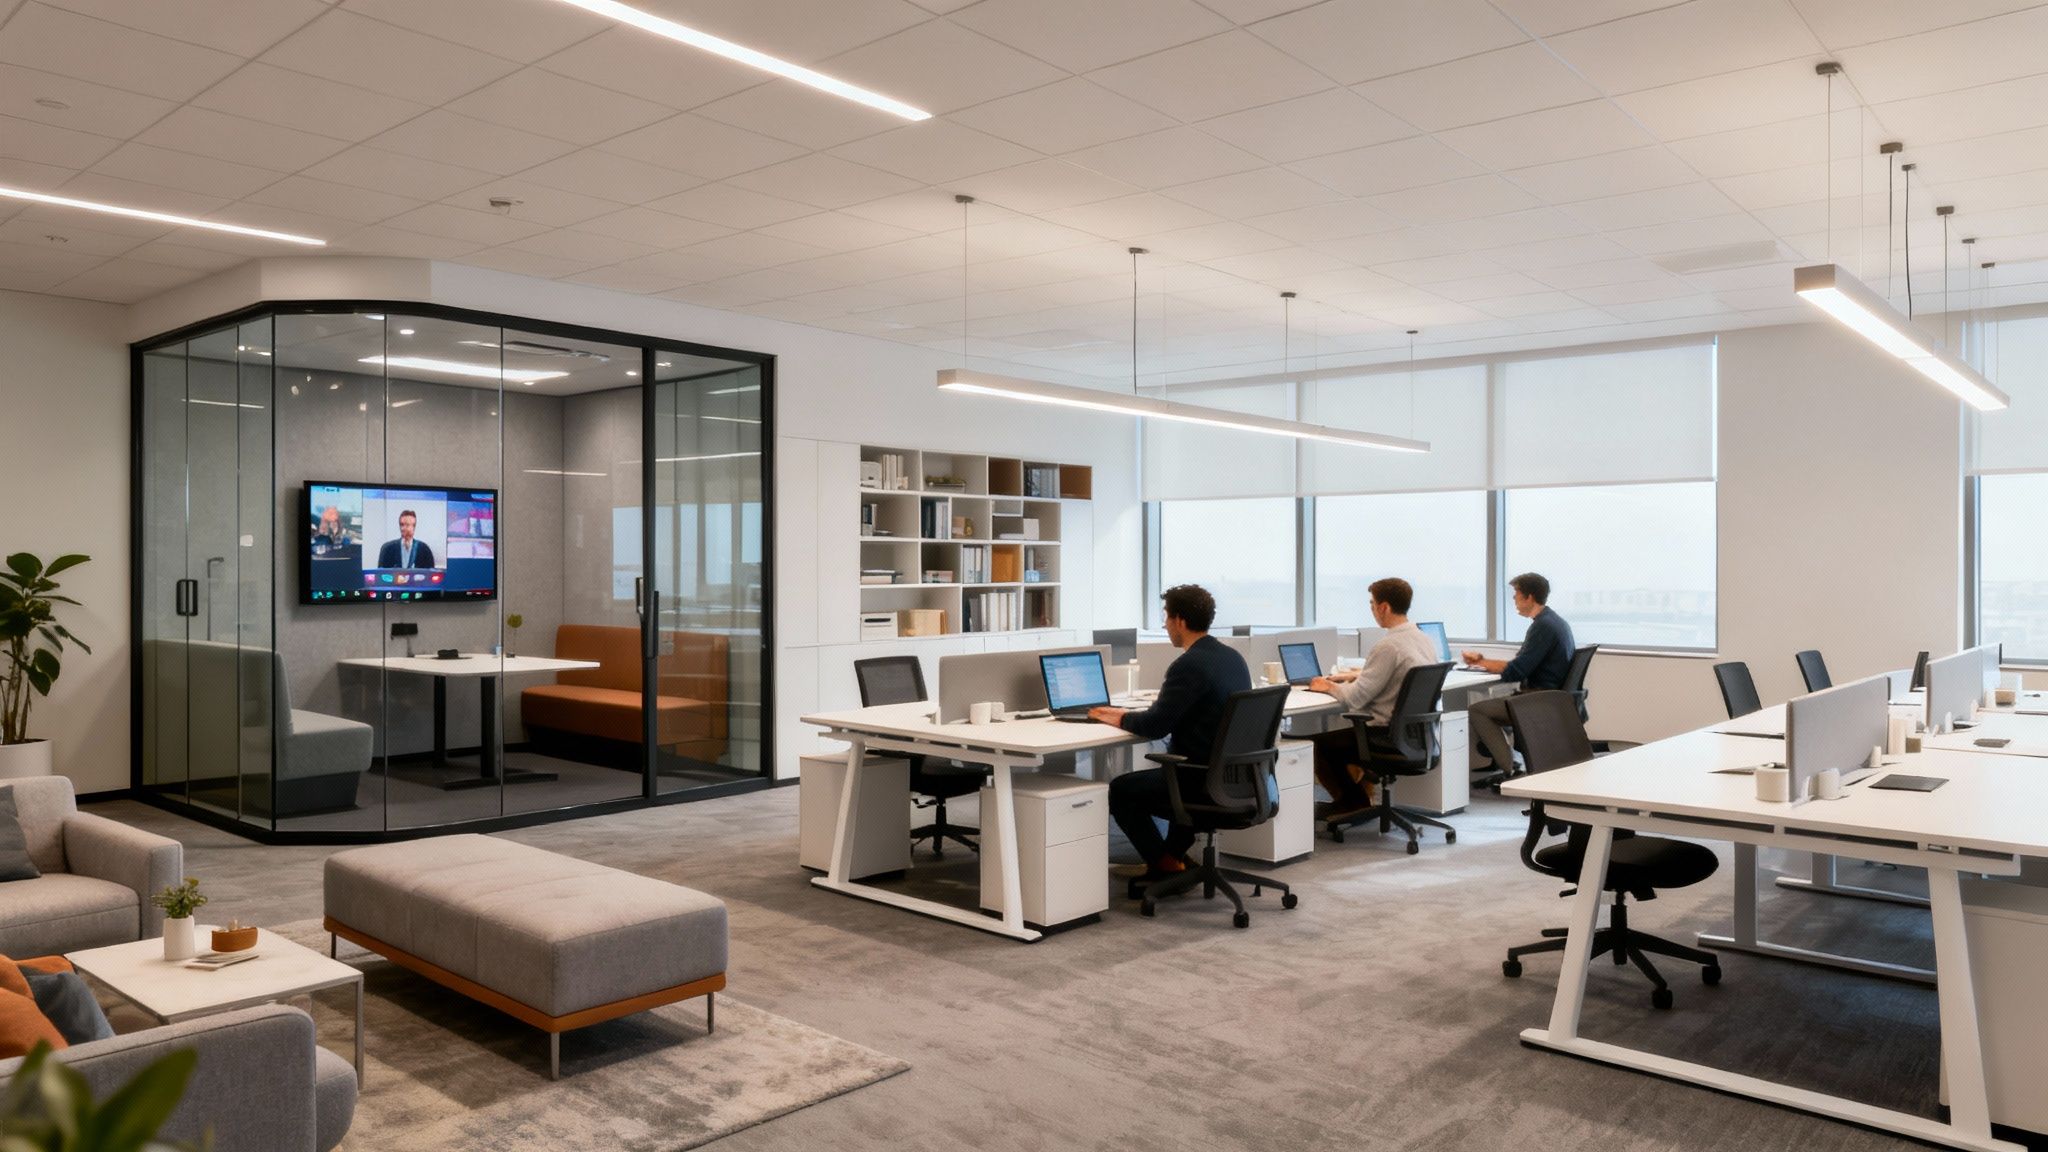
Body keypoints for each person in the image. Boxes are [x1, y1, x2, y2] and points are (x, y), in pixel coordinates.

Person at [1088, 584, 1250, 880]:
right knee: (1175, 771)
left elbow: (1155, 726)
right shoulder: (1233, 658)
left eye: (1166, 617)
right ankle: (1173, 857)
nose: (1164, 625)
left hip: (1201, 779)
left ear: (1179, 621)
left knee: (1122, 790)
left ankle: (1163, 863)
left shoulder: (1189, 665)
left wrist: (1117, 716)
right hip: (1236, 777)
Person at [1303, 577, 1441, 815]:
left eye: (1372, 604)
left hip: (1385, 736)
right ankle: (1363, 791)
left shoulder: (1388, 646)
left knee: (1318, 745)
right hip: (1417, 738)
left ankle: (1352, 802)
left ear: (1384, 607)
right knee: (1342, 739)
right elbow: (1402, 675)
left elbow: (1355, 698)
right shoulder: (1423, 639)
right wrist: (1361, 673)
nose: (1372, 610)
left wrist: (1328, 686)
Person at [1460, 572, 1576, 777]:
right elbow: (1521, 664)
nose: (1513, 599)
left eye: (1516, 594)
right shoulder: (1554, 622)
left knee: (1478, 710)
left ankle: (1513, 768)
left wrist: (1481, 663)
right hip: (1550, 697)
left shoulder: (1542, 626)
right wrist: (1482, 662)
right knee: (1494, 702)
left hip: (1538, 699)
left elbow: (1516, 671)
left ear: (1529, 597)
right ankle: (1508, 759)